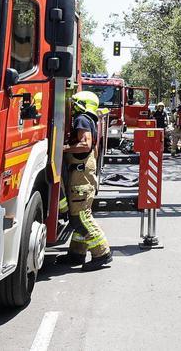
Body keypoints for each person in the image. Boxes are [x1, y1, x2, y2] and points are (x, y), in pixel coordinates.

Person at [61, 91, 112, 270]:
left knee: (80, 217)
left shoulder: (81, 119)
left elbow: (85, 144)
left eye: (74, 102)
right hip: (82, 170)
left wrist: (62, 148)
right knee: (79, 215)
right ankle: (77, 254)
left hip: (80, 173)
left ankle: (102, 253)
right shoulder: (90, 119)